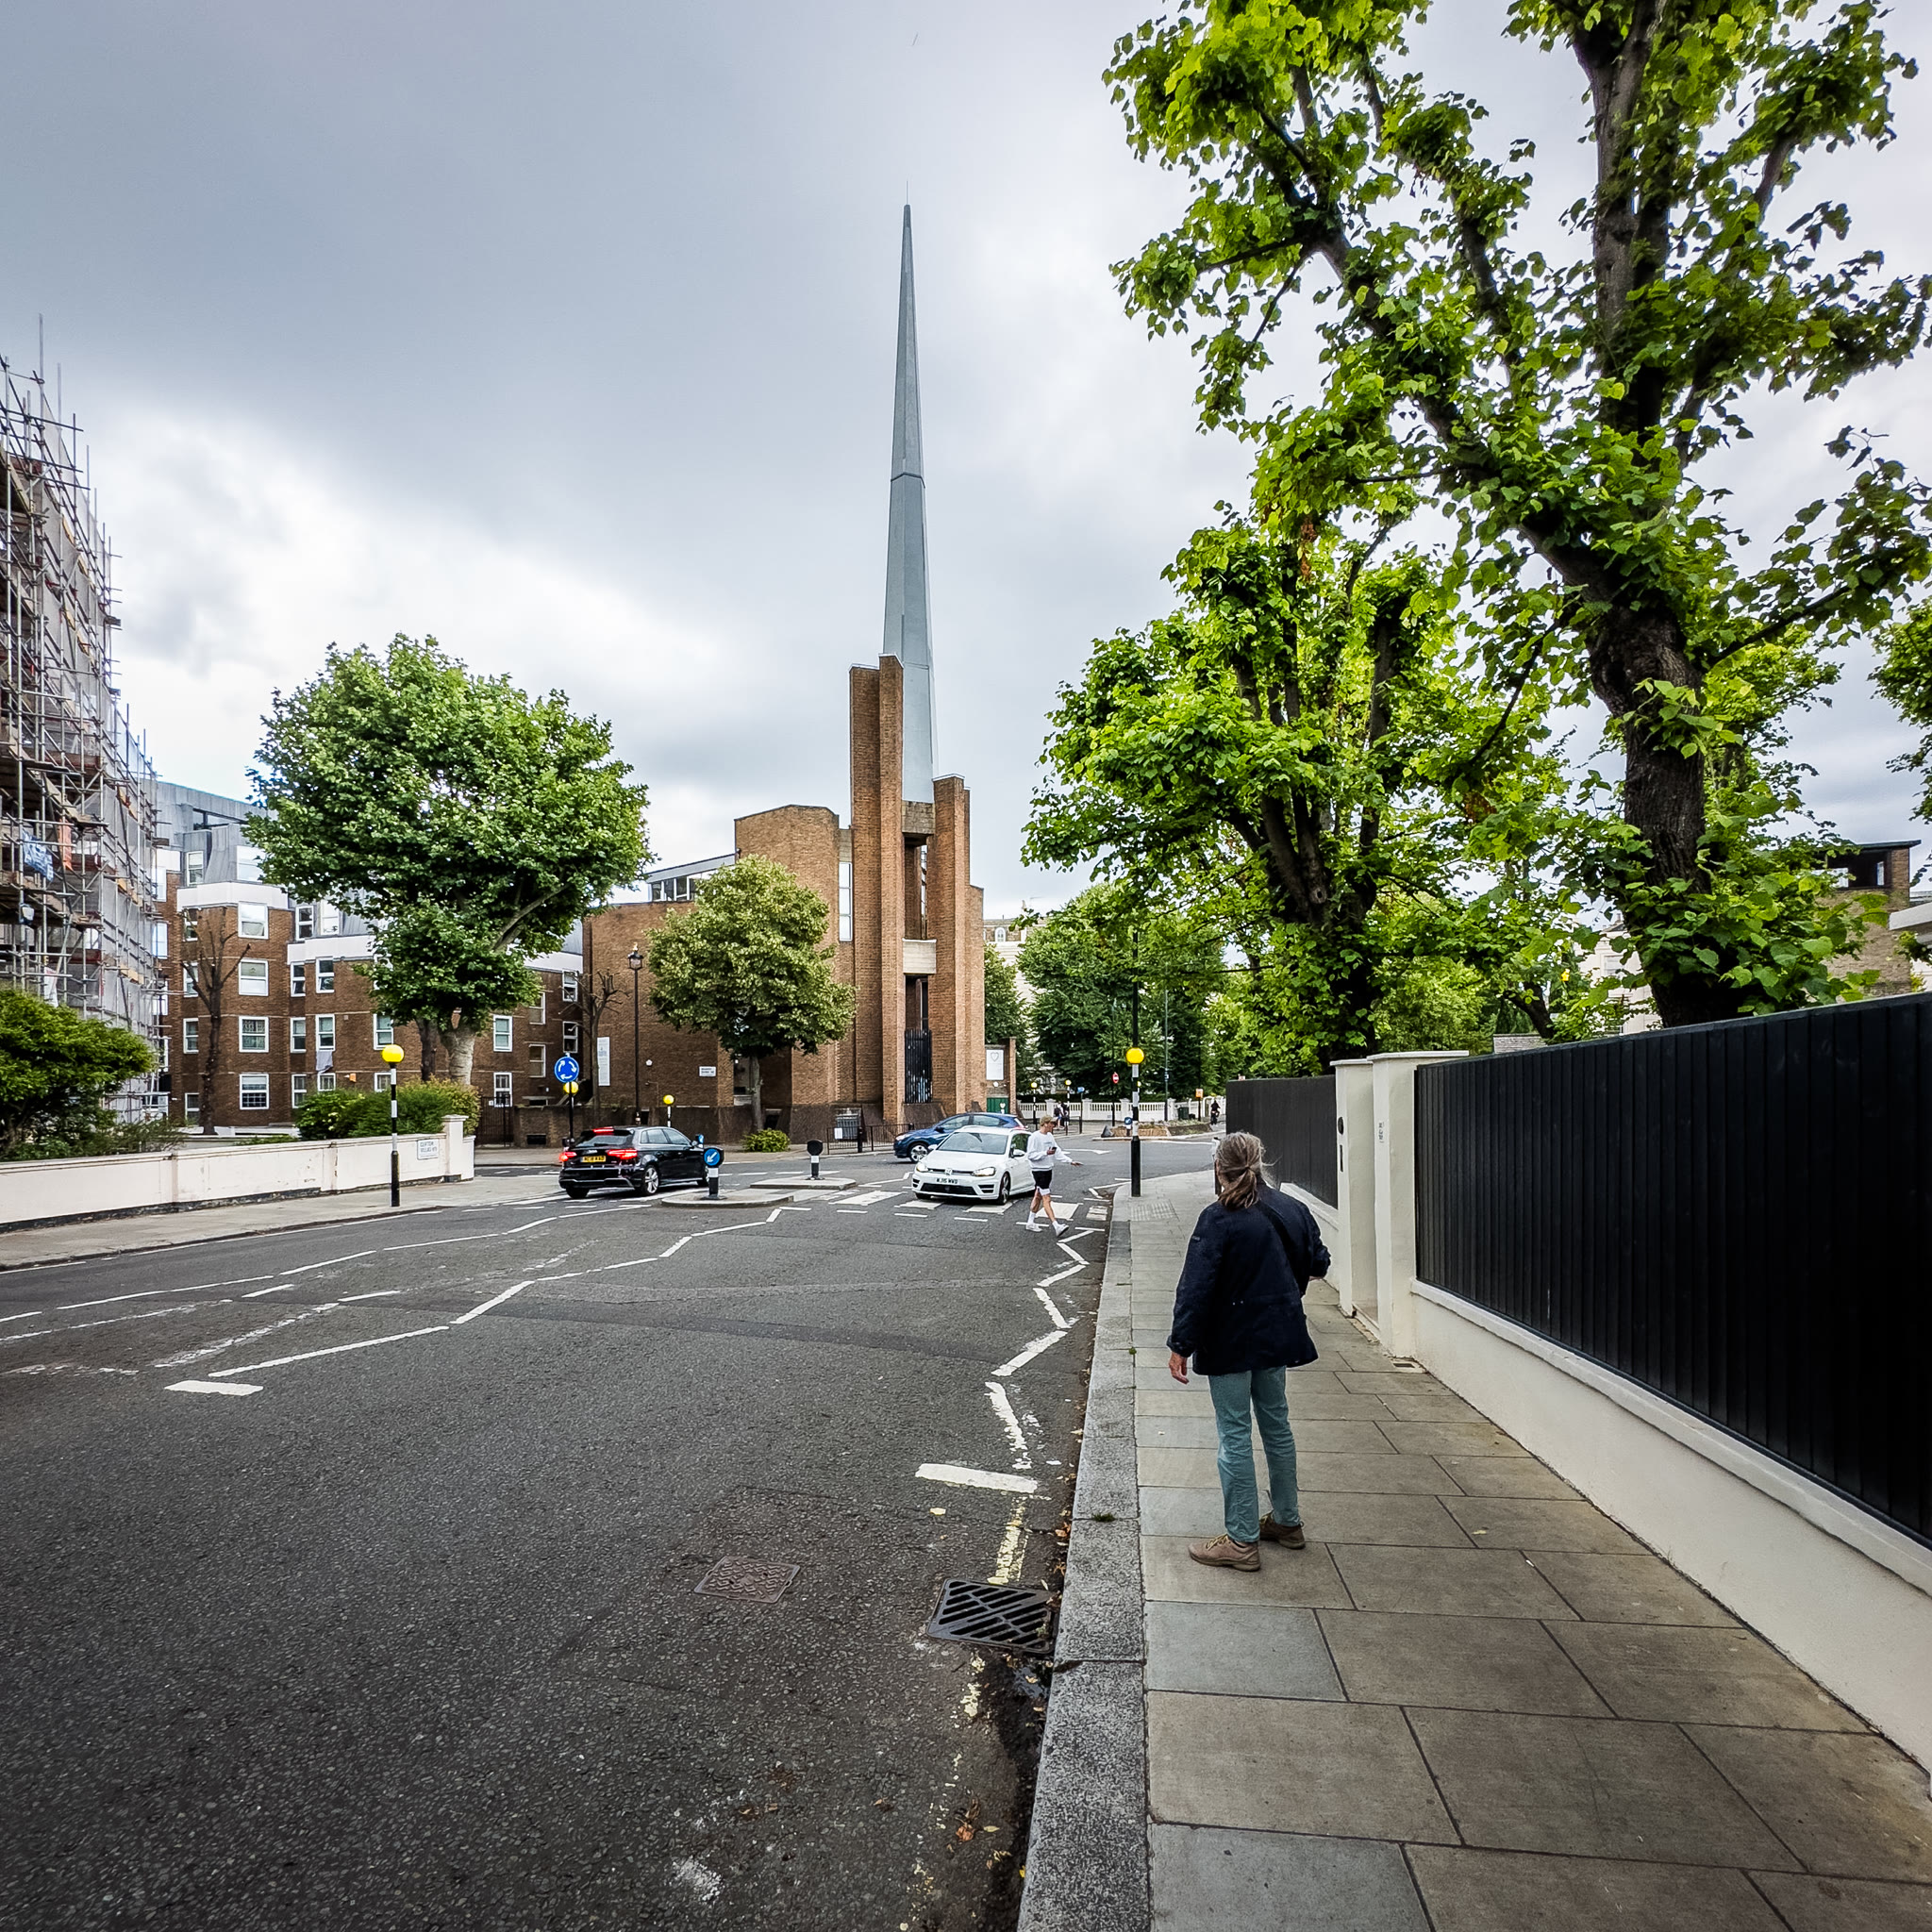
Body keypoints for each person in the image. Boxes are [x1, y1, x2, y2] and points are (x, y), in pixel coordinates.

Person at [1166, 1131, 1329, 1570]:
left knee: (1234, 1433)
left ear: (1219, 1168)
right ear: (1259, 1162)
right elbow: (1319, 1263)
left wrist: (1181, 1345)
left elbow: (1195, 1289)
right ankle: (1287, 1522)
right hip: (1277, 1336)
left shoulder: (1218, 1218)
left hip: (1230, 1341)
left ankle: (1241, 1542)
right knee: (1277, 1426)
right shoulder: (1292, 1208)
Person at [1024, 1120, 1078, 1231]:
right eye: (1051, 1124)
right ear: (1045, 1124)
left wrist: (1070, 1161)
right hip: (1039, 1171)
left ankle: (1030, 1222)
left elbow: (1057, 1151)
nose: (1053, 1126)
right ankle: (1056, 1225)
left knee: (1038, 1195)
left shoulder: (1050, 1136)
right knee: (1047, 1198)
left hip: (1048, 1170)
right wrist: (1045, 1153)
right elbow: (1030, 1155)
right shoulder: (1034, 1137)